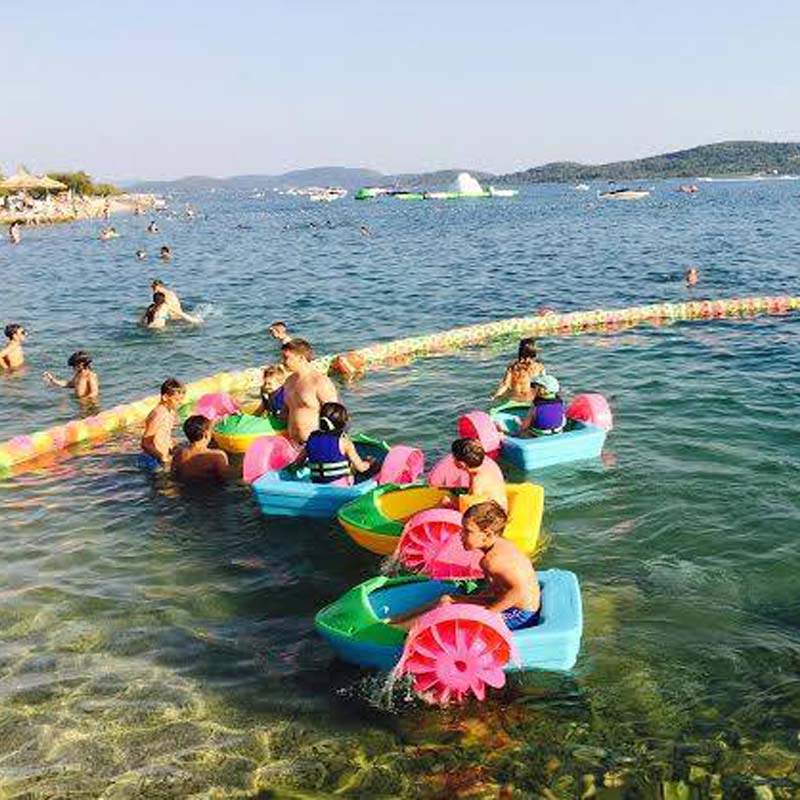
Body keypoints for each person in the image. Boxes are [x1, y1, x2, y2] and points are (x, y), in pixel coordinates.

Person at [389, 501, 540, 631]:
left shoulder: (492, 561)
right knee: (445, 600)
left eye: (467, 531)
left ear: (487, 534)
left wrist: (487, 614)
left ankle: (399, 630)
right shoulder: (500, 544)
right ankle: (396, 622)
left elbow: (519, 591)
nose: (460, 535)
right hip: (506, 602)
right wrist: (477, 599)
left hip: (519, 614)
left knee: (450, 611)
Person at [296, 402, 373, 485]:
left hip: (317, 483)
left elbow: (298, 463)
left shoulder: (311, 439)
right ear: (343, 423)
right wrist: (368, 463)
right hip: (340, 486)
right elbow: (361, 468)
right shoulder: (344, 442)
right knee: (354, 466)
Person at [281, 339, 338, 444]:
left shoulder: (319, 382)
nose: (282, 362)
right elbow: (286, 412)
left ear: (301, 358)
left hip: (315, 443)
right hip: (293, 443)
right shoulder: (288, 381)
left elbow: (335, 416)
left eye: (286, 358)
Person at [447, 437, 508, 511]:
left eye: (453, 457)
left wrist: (451, 504)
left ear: (461, 464)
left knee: (445, 501)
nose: (452, 459)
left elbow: (471, 510)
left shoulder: (477, 483)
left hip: (494, 513)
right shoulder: (486, 463)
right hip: (496, 503)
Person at [140, 378, 186, 468]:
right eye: (177, 400)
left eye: (181, 399)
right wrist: (162, 458)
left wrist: (172, 447)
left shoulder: (171, 411)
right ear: (165, 397)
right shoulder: (159, 414)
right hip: (152, 459)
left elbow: (165, 434)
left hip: (161, 455)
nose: (180, 403)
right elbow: (145, 443)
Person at [171, 415, 229, 482]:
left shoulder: (178, 454)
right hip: (209, 487)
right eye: (211, 431)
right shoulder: (218, 456)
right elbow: (224, 479)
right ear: (206, 434)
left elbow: (173, 475)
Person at [491, 338, 545, 403]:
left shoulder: (512, 367)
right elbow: (544, 383)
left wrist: (494, 396)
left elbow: (505, 385)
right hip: (529, 399)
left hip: (514, 398)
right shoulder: (538, 367)